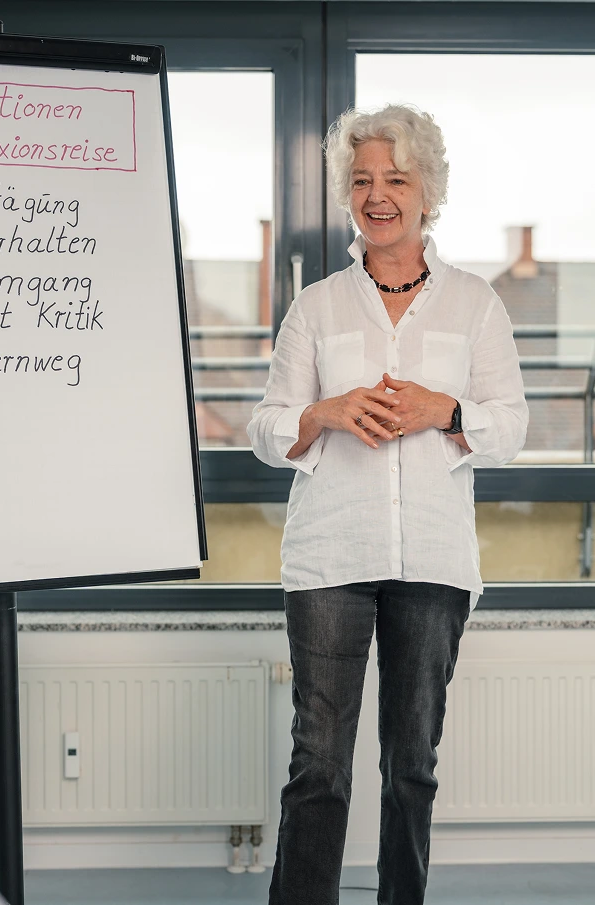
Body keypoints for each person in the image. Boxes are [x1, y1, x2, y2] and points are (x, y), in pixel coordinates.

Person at [246, 103, 529, 905]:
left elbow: (511, 423)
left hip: (435, 559)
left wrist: (447, 410)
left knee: (412, 768)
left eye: (396, 179)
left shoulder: (475, 304)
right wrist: (324, 413)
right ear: (347, 194)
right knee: (319, 765)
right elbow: (265, 431)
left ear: (428, 193)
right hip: (330, 556)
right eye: (363, 179)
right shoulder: (317, 307)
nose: (378, 194)